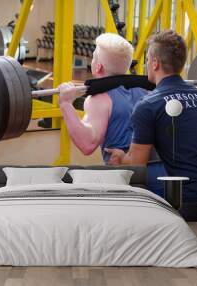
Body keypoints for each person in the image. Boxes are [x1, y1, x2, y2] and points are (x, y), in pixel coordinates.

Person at [106, 30, 197, 221]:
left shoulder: (148, 105)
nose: (147, 64)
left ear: (156, 63)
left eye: (148, 59)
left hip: (196, 201)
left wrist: (121, 157)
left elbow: (136, 165)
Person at [58, 33, 166, 195]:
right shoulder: (147, 91)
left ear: (98, 67)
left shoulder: (99, 99)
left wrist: (66, 104)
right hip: (159, 175)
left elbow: (87, 145)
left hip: (124, 180)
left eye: (94, 57)